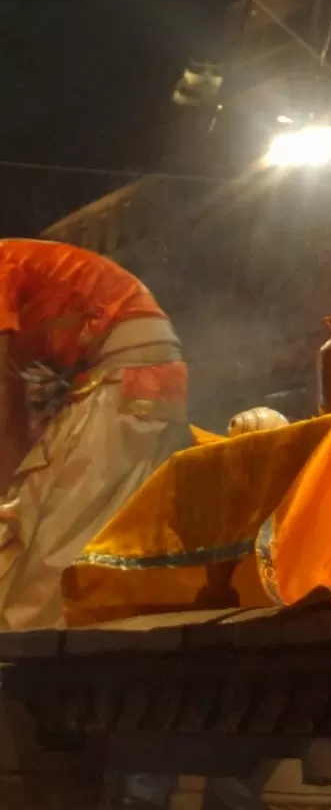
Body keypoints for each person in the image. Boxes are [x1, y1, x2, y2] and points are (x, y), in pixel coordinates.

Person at [0, 238, 190, 629]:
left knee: (52, 553)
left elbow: (5, 395)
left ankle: (32, 675)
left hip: (124, 376)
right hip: (132, 374)